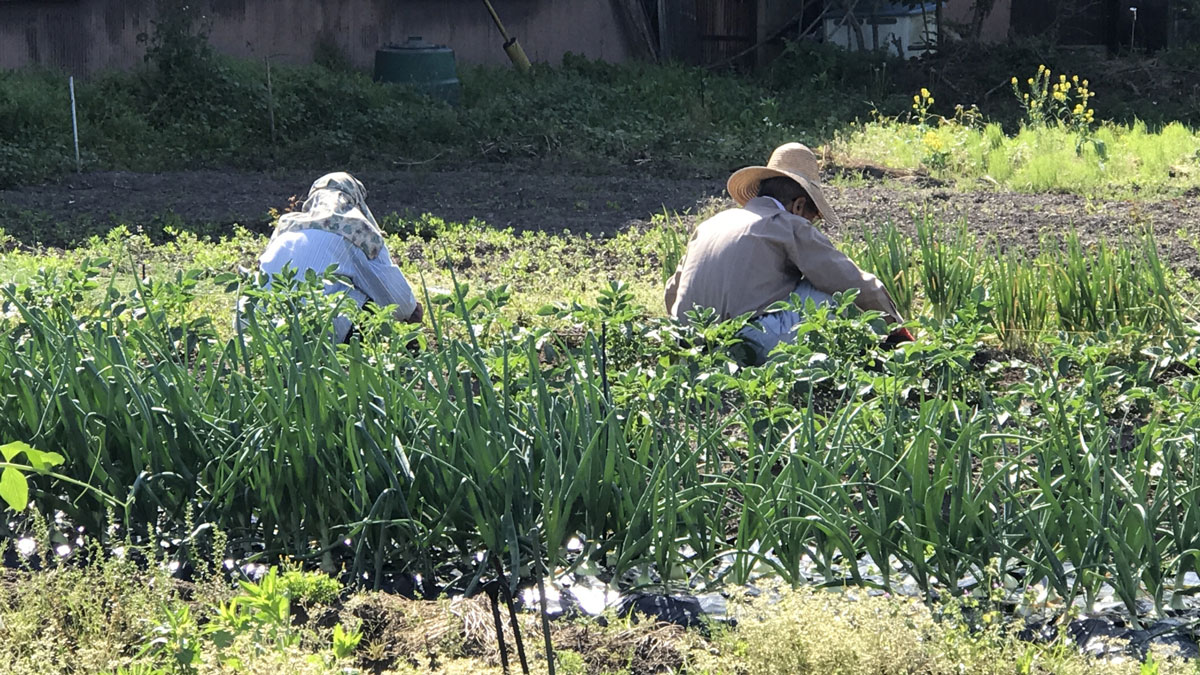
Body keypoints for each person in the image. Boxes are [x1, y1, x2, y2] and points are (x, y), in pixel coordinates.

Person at [664, 143, 912, 364]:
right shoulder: (785, 224)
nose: (810, 224)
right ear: (799, 205)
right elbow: (850, 281)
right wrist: (896, 329)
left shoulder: (711, 224)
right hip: (744, 346)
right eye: (812, 218)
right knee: (830, 291)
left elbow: (672, 291)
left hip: (689, 342)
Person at [257, 172, 422, 343]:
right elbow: (393, 297)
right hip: (318, 333)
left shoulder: (287, 229)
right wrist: (412, 311)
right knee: (374, 305)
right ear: (355, 201)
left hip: (260, 328)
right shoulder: (356, 230)